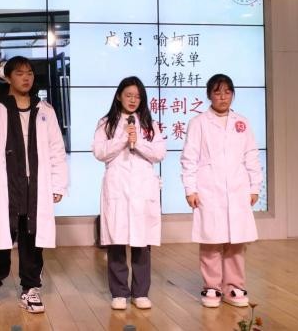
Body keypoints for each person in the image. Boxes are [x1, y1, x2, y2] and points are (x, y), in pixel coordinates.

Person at [0, 56, 68, 314]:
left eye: (29, 73)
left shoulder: (45, 110)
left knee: (32, 238)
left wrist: (58, 184)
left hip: (36, 185)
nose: (26, 78)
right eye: (19, 73)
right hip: (5, 185)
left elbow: (57, 150)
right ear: (8, 77)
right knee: (0, 239)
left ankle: (31, 288)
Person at [180, 73, 263, 308]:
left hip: (237, 188)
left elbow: (251, 156)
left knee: (236, 241)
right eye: (217, 92)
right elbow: (189, 158)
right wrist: (190, 189)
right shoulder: (198, 123)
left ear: (233, 94)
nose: (223, 97)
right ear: (209, 95)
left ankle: (234, 286)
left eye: (227, 92)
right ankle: (212, 287)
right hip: (208, 189)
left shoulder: (242, 123)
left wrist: (254, 187)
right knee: (211, 240)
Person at [92, 76, 166, 310]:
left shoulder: (149, 124)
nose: (133, 100)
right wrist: (123, 138)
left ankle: (140, 292)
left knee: (142, 242)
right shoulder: (106, 123)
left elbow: (159, 153)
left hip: (142, 188)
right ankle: (119, 293)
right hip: (117, 187)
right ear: (119, 96)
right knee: (117, 240)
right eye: (129, 95)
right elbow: (100, 152)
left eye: (137, 96)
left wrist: (139, 142)